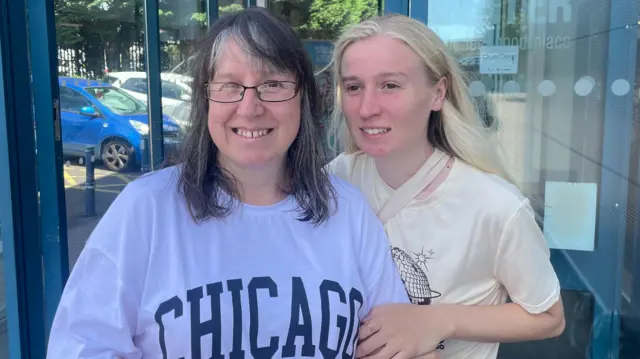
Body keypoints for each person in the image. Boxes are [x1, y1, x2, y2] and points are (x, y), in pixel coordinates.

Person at [46, 8, 412, 358]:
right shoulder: (146, 209)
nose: (250, 107)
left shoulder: (347, 209)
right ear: (206, 101)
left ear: (303, 99)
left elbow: (394, 343)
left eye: (273, 84)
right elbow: (82, 345)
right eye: (230, 85)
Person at [327, 14, 566, 359]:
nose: (367, 108)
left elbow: (549, 316)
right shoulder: (334, 181)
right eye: (353, 87)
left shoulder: (495, 205)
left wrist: (441, 320)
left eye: (390, 85)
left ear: (438, 92)